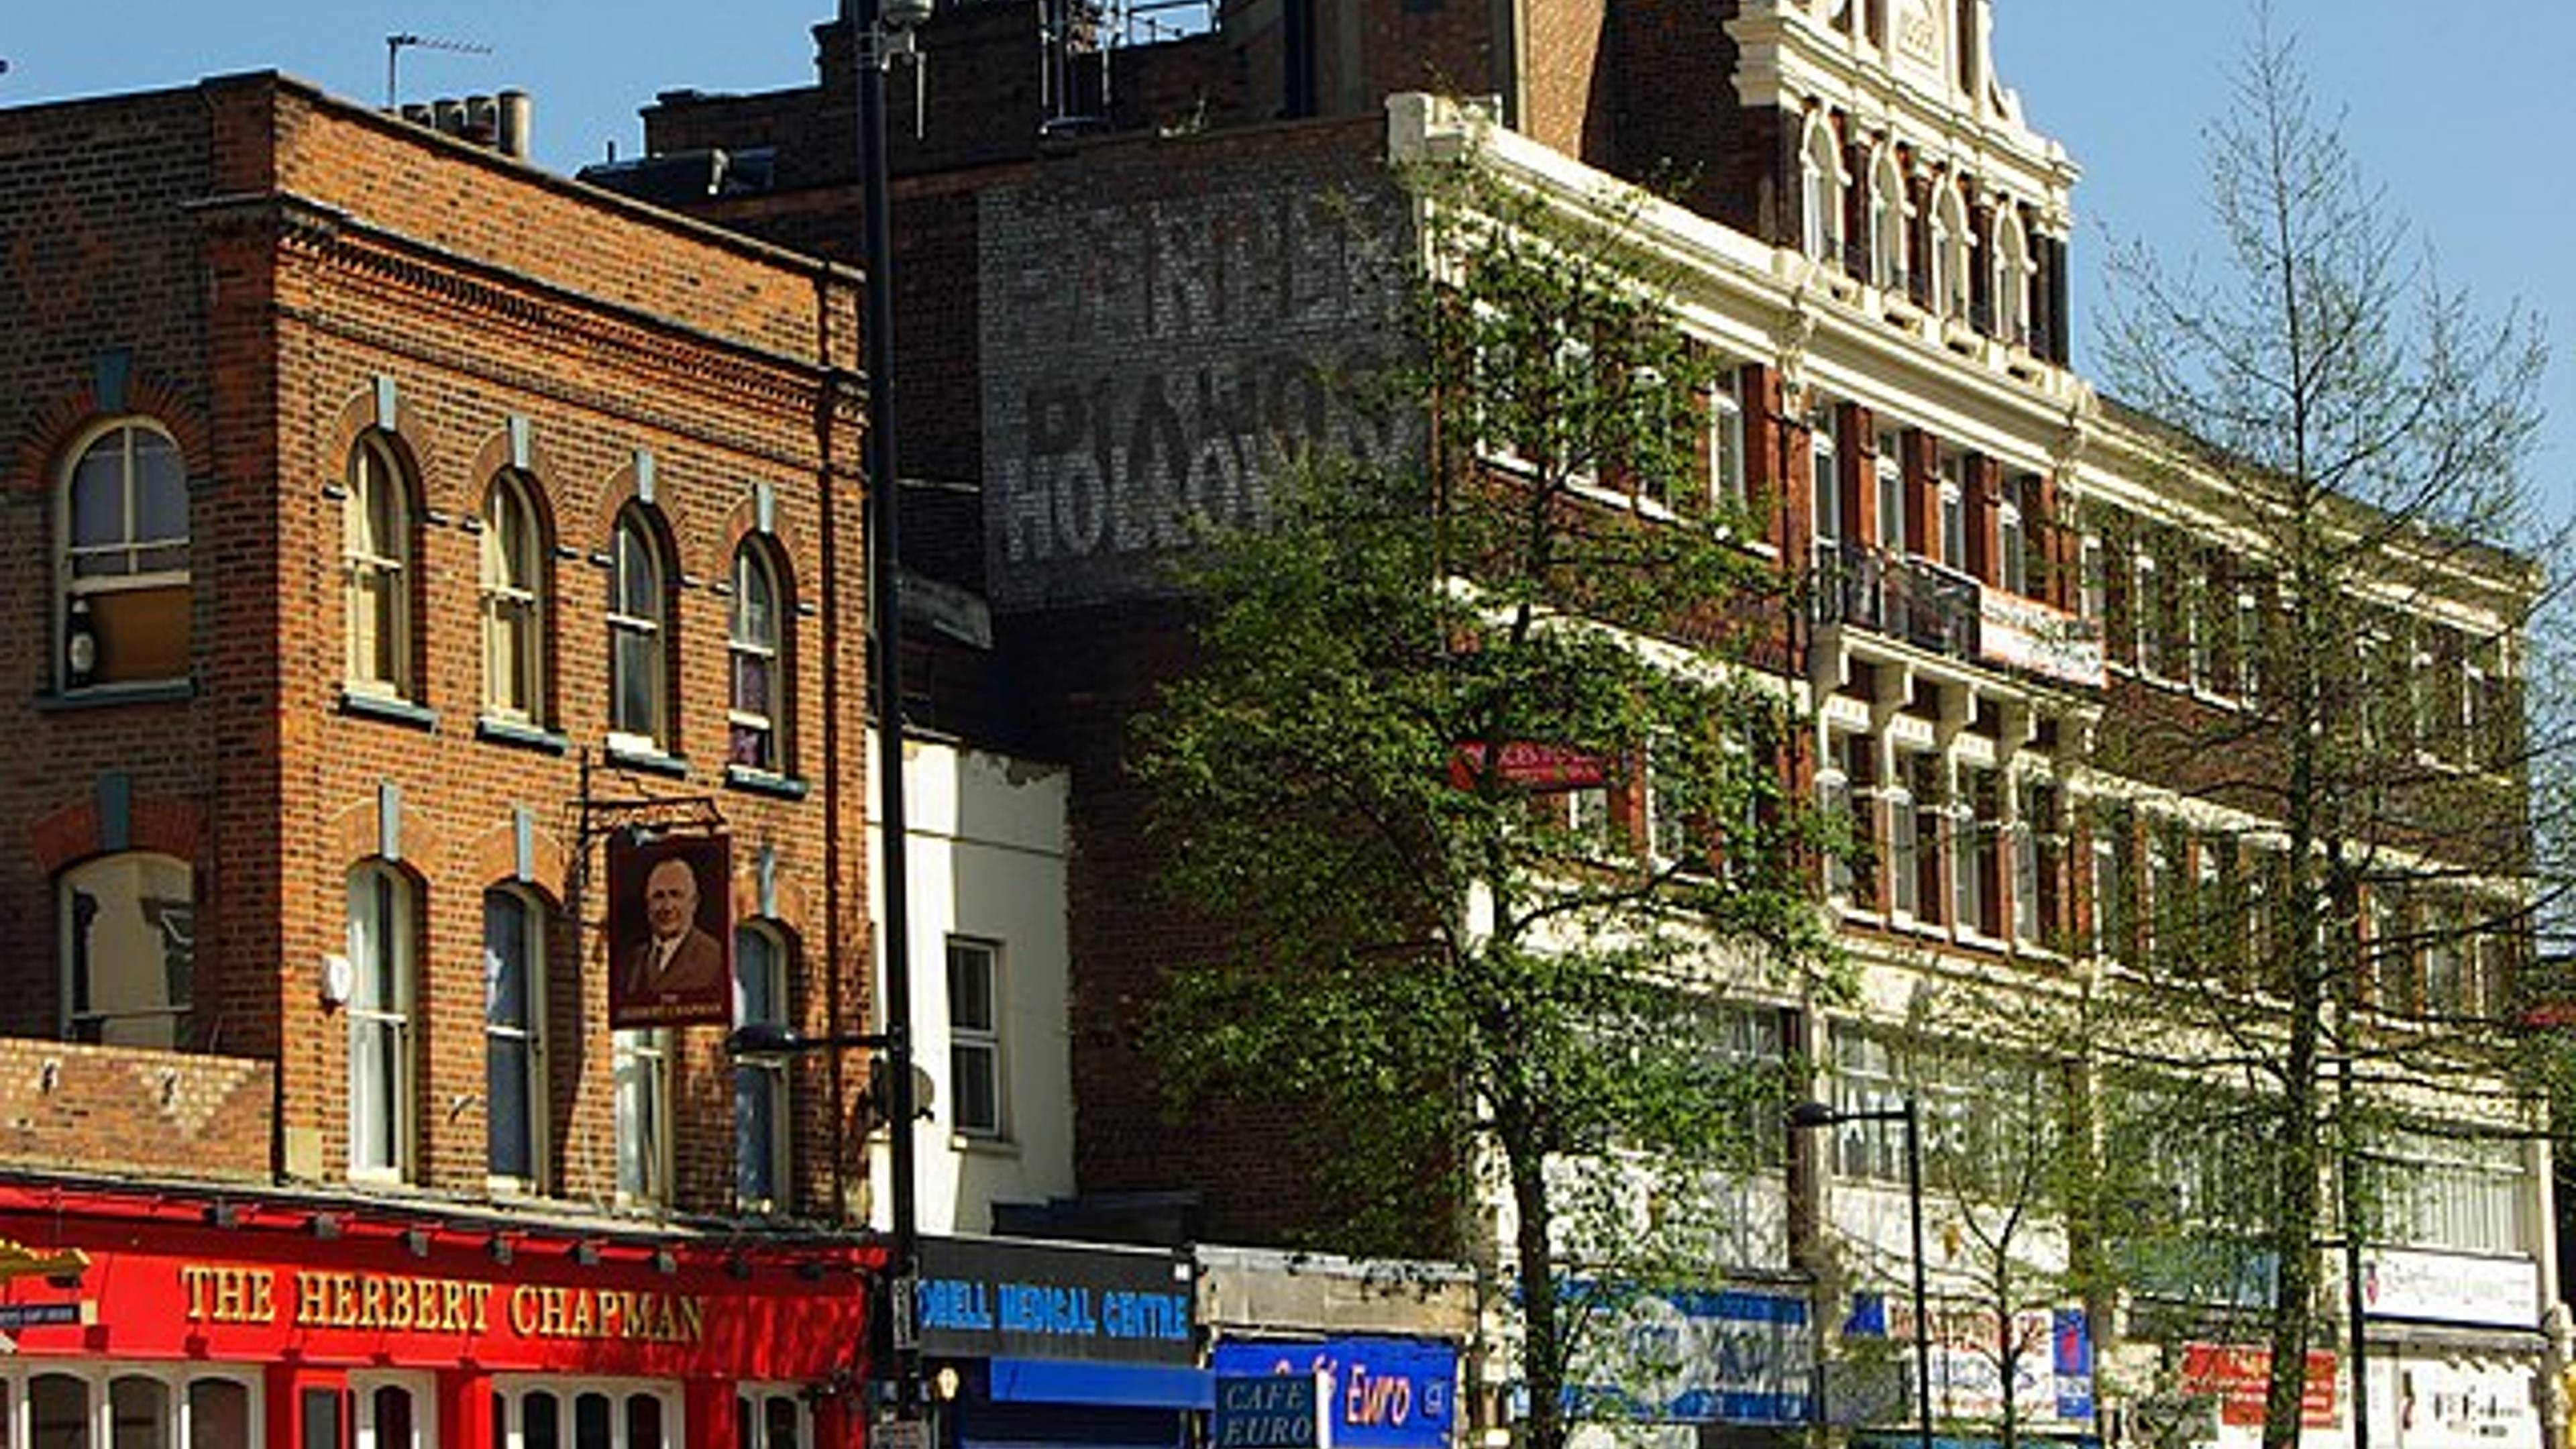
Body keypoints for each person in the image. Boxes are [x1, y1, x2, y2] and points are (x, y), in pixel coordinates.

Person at [624, 856, 724, 1008]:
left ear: (694, 902)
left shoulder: (714, 958)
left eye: (675, 895)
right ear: (648, 904)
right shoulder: (633, 960)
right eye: (658, 896)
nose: (667, 907)